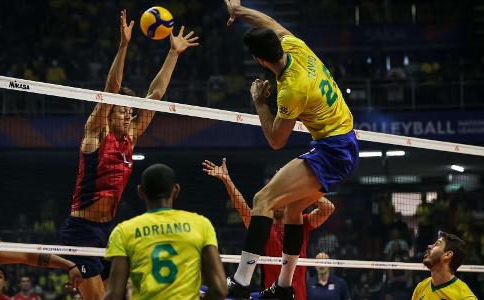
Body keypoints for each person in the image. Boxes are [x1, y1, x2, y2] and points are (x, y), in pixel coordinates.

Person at [221, 0, 358, 298]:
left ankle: (241, 282)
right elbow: (270, 22)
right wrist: (240, 12)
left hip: (332, 150)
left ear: (259, 61)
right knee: (293, 208)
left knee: (263, 200)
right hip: (343, 143)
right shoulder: (297, 48)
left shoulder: (291, 89)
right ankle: (283, 287)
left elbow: (275, 140)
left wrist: (259, 102)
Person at [59, 9, 199, 300]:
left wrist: (173, 53)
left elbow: (156, 96)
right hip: (81, 232)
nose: (127, 114)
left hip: (107, 231)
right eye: (121, 110)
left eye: (129, 111)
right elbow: (110, 88)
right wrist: (124, 45)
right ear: (110, 112)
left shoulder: (130, 138)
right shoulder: (95, 134)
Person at [202, 158, 335, 300]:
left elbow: (328, 209)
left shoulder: (303, 223)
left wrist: (297, 185)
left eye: (280, 198)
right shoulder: (263, 227)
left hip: (298, 296)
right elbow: (243, 209)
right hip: (270, 296)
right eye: (274, 198)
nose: (276, 203)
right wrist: (227, 180)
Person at [103, 164, 227, 300]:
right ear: (176, 190)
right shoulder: (201, 225)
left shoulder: (124, 231)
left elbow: (114, 295)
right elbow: (219, 289)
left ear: (140, 192)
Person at [411, 231, 477, 299]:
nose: (429, 246)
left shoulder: (465, 297)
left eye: (437, 244)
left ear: (447, 255)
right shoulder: (421, 287)